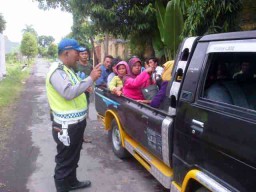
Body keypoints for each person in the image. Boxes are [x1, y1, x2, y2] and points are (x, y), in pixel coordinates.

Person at [46, 38, 101, 192]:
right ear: (66, 53)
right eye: (77, 52)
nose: (79, 55)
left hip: (76, 123)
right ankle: (62, 187)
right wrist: (91, 78)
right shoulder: (57, 71)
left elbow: (75, 86)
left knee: (73, 156)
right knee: (64, 160)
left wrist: (85, 86)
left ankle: (71, 182)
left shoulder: (67, 69)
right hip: (65, 126)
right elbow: (68, 92)